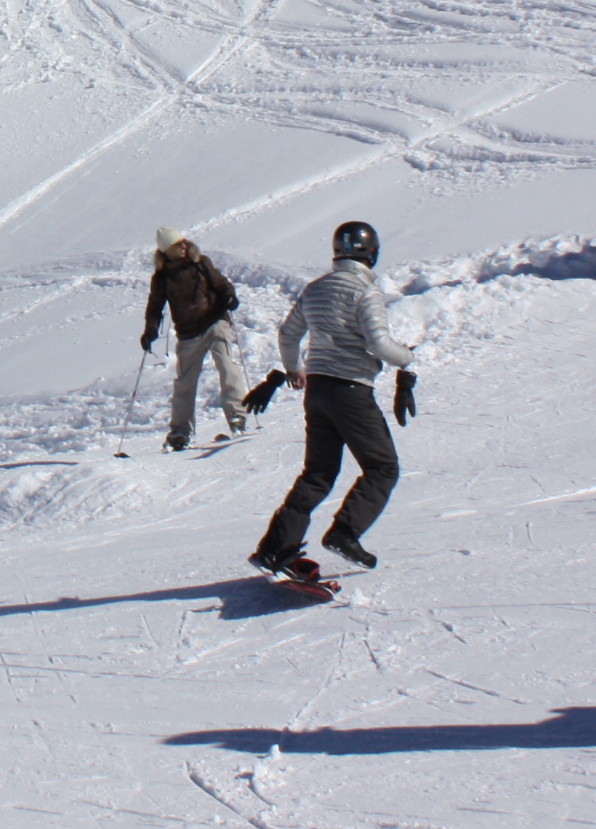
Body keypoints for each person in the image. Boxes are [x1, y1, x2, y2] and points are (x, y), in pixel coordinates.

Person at [247, 219, 418, 573]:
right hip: (351, 390)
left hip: (318, 389)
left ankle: (275, 547)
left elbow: (288, 334)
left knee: (318, 473)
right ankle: (345, 533)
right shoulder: (364, 292)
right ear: (371, 253)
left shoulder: (316, 289)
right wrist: (408, 357)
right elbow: (379, 344)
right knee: (383, 467)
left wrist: (295, 369)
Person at [141, 227, 245, 451]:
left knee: (226, 365)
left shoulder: (201, 263)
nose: (183, 246)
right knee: (185, 382)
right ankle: (180, 431)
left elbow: (221, 283)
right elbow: (155, 308)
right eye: (177, 244)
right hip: (188, 333)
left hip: (215, 321)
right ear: (166, 250)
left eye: (183, 242)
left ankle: (237, 416)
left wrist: (230, 297)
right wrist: (150, 330)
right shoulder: (162, 278)